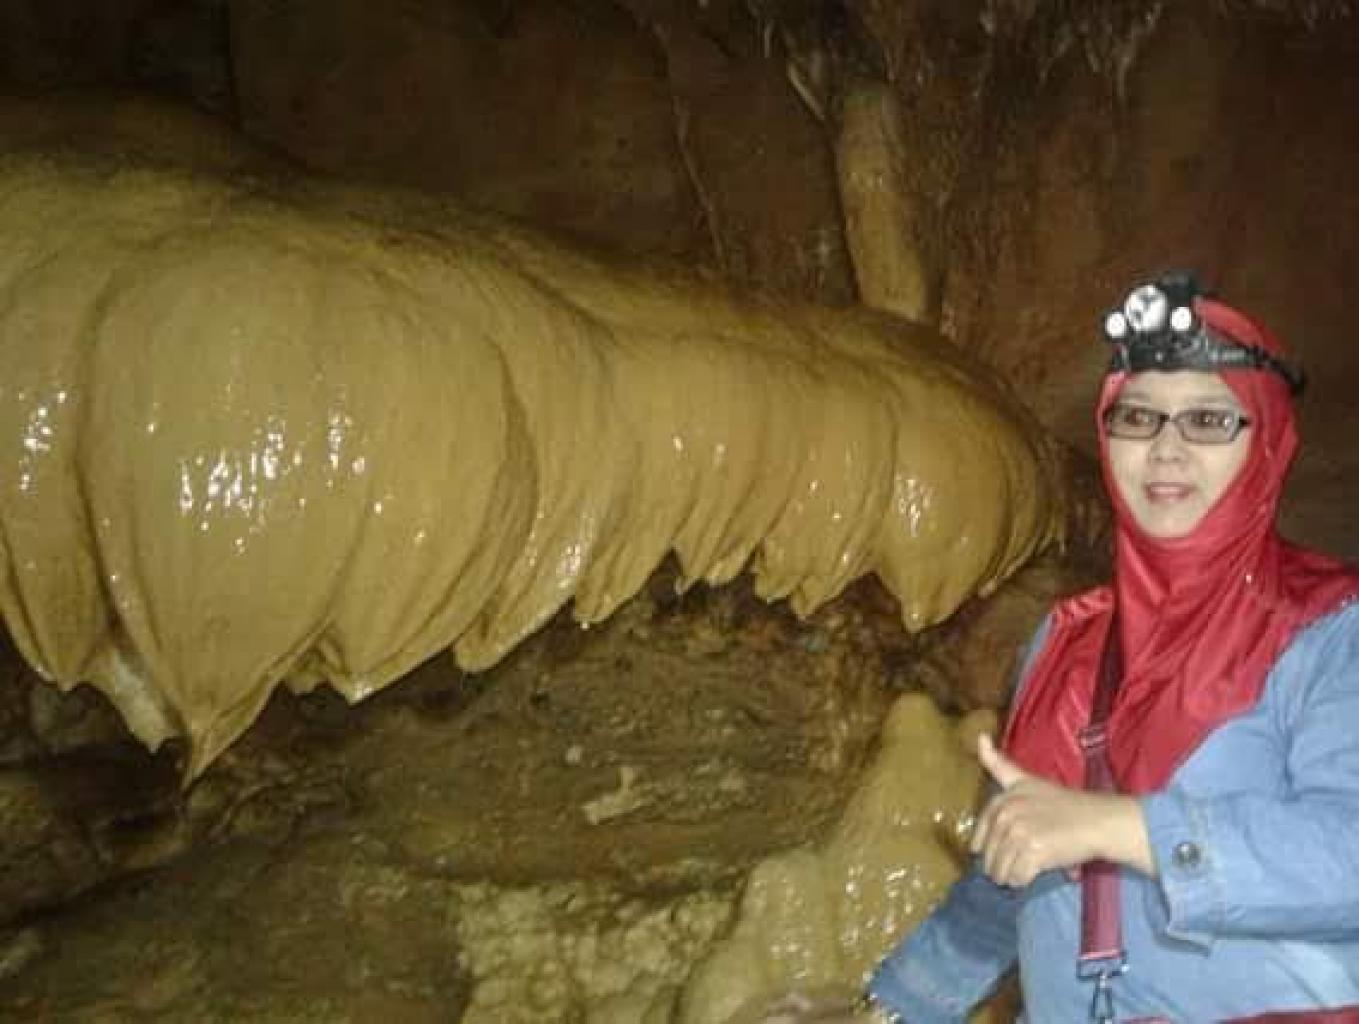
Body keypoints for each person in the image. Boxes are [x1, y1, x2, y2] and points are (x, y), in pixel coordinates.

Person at [760, 272, 1359, 1023]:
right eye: (1138, 417)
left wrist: (1119, 827)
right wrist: (891, 1008)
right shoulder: (1069, 641)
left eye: (1207, 421)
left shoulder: (1332, 626)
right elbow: (1012, 875)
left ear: (1264, 442)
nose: (1166, 449)